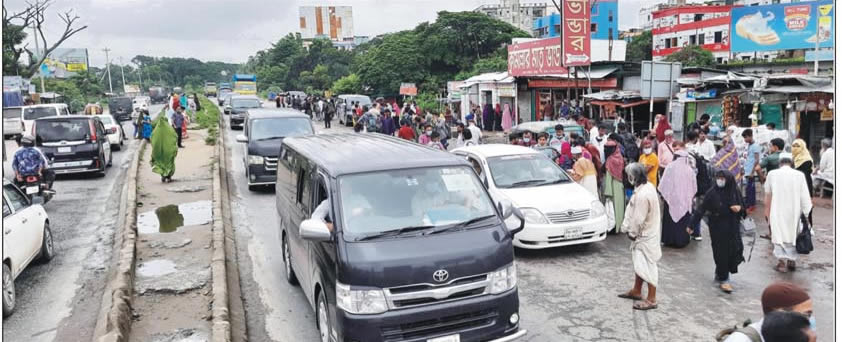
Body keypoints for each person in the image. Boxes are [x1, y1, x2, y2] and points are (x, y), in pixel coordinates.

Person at [690, 170, 744, 293]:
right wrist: (692, 225)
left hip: (733, 227)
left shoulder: (735, 192)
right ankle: (724, 279)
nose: (720, 180)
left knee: (733, 251)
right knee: (721, 252)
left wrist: (739, 208)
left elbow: (743, 208)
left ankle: (721, 272)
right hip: (717, 228)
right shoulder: (712, 193)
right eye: (718, 178)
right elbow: (701, 209)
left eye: (722, 178)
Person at [617, 163, 661, 311]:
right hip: (648, 232)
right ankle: (637, 290)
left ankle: (652, 298)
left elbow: (638, 218)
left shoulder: (643, 195)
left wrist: (632, 233)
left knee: (648, 265)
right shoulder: (647, 187)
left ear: (633, 177)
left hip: (645, 235)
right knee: (640, 264)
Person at [764, 153, 812, 273]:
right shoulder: (799, 175)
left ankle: (781, 262)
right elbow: (805, 197)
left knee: (778, 234)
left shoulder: (772, 174)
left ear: (779, 163)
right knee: (793, 235)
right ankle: (792, 261)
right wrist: (806, 213)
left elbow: (768, 193)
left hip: (777, 210)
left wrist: (767, 211)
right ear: (791, 162)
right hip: (794, 211)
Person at [722, 281, 813, 342]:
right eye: (806, 315)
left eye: (810, 314)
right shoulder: (741, 340)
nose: (810, 320)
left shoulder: (794, 337)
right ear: (780, 313)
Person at [659, 142, 697, 248]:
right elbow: (694, 188)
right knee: (682, 222)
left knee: (671, 221)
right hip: (684, 201)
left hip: (671, 200)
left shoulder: (670, 167)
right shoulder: (689, 170)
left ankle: (669, 240)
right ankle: (682, 240)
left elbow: (663, 184)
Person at [603, 140, 626, 233]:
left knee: (612, 208)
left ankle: (613, 228)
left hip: (612, 186)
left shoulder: (609, 160)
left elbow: (608, 177)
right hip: (620, 185)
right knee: (619, 207)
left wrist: (608, 192)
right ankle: (619, 226)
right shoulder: (620, 157)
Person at [150, 114, 178, 183]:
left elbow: (152, 139)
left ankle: (163, 175)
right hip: (168, 151)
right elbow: (175, 136)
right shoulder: (170, 129)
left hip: (159, 152)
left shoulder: (155, 131)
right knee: (169, 163)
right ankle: (168, 176)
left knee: (161, 163)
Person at [742, 129, 761, 211]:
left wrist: (752, 172)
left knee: (750, 189)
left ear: (750, 136)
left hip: (751, 171)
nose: (745, 140)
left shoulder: (755, 146)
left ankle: (751, 204)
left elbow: (757, 160)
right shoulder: (750, 145)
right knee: (748, 188)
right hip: (748, 170)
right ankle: (748, 204)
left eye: (746, 137)